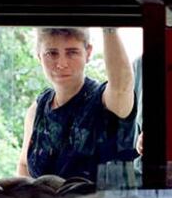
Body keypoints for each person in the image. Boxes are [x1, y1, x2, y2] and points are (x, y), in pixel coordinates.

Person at [17, 27, 137, 182]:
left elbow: (122, 85)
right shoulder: (37, 110)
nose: (61, 64)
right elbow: (24, 166)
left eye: (72, 52)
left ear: (88, 52)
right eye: (52, 53)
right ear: (39, 56)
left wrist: (109, 28)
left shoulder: (105, 101)